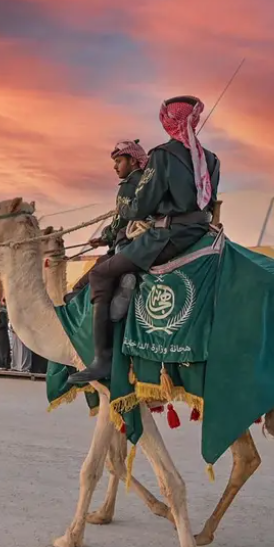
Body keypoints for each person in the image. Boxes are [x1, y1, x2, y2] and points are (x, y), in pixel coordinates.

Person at [68, 96, 219, 386]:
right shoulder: (211, 159)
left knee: (100, 272)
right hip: (199, 233)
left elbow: (140, 207)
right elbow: (209, 202)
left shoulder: (162, 154)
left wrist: (126, 210)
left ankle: (102, 359)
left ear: (168, 121)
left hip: (168, 235)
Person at [68, 140, 149, 304]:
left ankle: (92, 329)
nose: (115, 167)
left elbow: (121, 222)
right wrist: (105, 238)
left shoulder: (129, 185)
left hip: (126, 246)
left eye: (119, 161)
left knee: (80, 287)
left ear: (132, 160)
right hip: (142, 243)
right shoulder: (146, 181)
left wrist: (106, 236)